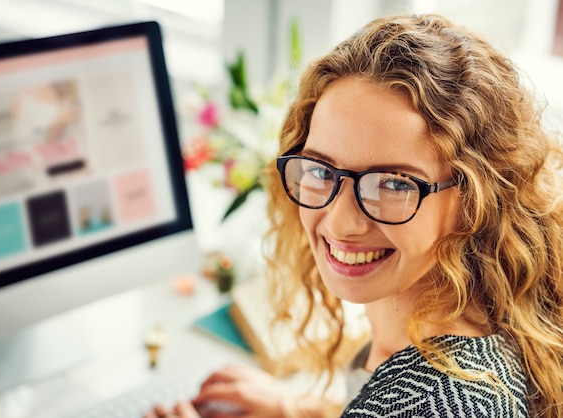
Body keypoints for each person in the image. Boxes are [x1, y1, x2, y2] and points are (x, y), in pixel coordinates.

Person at [145, 12, 563, 418]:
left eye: (396, 183)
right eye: (321, 171)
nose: (340, 222)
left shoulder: (435, 403)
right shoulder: (471, 319)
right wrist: (297, 409)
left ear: (475, 198)